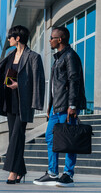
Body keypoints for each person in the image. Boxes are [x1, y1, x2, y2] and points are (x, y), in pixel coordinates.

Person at [0, 25, 45, 184]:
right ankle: (21, 170)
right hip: (10, 102)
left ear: (18, 38)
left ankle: (13, 172)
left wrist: (19, 85)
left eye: (10, 37)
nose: (8, 39)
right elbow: (1, 75)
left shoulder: (33, 57)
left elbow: (37, 82)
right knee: (16, 137)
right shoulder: (11, 56)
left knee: (16, 137)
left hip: (23, 103)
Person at [33, 26, 86, 187]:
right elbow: (54, 87)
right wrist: (49, 107)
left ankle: (68, 175)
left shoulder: (70, 56)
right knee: (50, 138)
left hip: (67, 107)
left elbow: (74, 81)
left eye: (51, 38)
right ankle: (52, 173)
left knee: (70, 140)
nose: (49, 40)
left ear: (60, 39)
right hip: (56, 108)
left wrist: (72, 105)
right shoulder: (58, 58)